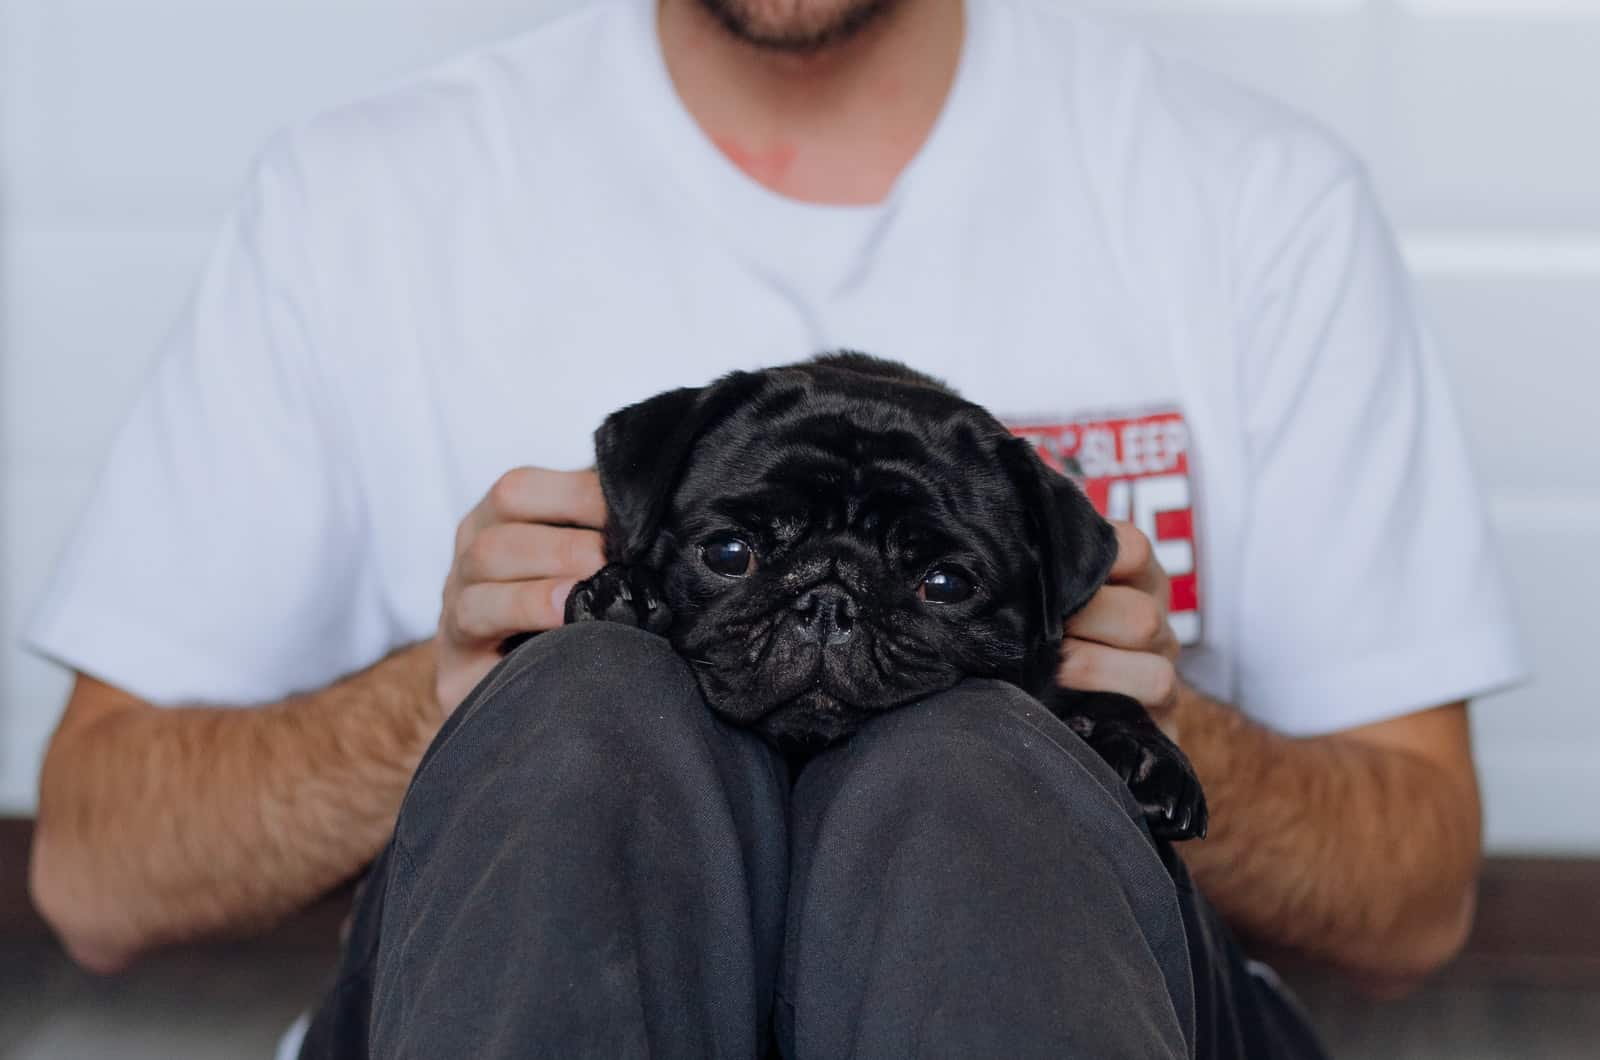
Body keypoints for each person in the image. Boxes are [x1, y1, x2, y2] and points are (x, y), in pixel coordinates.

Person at [25, 0, 1524, 1055]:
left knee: (969, 765)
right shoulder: (359, 200)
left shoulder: (1252, 201)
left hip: (1067, 984)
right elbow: (91, 878)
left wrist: (1145, 725)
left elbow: (1415, 902)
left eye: (928, 574)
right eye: (743, 560)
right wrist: (440, 706)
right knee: (590, 704)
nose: (821, 613)